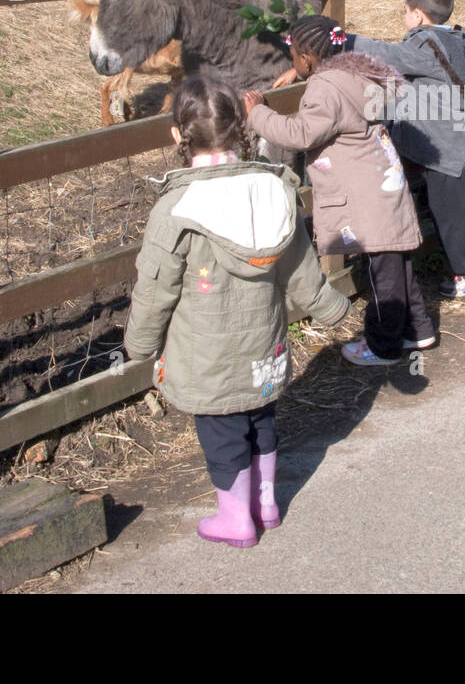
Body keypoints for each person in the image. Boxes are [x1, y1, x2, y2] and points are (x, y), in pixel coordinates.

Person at [123, 76, 350, 548]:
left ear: (176, 136)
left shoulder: (176, 209)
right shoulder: (273, 192)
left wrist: (140, 344)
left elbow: (155, 288)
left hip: (208, 360)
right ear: (242, 126)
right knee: (261, 419)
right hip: (264, 347)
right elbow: (301, 269)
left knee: (223, 435)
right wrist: (331, 308)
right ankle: (266, 504)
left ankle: (236, 520)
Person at [245, 15, 435, 365]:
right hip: (382, 180)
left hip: (365, 192)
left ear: (305, 57)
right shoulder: (356, 73)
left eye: (295, 59)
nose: (293, 64)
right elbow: (337, 102)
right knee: (397, 261)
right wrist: (308, 79)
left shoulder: (325, 87)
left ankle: (383, 345)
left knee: (384, 274)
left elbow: (301, 133)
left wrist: (257, 114)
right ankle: (417, 329)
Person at [347, 0, 465, 298]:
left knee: (451, 212)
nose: (404, 19)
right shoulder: (461, 42)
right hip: (460, 136)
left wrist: (344, 40)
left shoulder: (423, 46)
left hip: (439, 146)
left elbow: (387, 55)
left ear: (418, 15)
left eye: (405, 12)